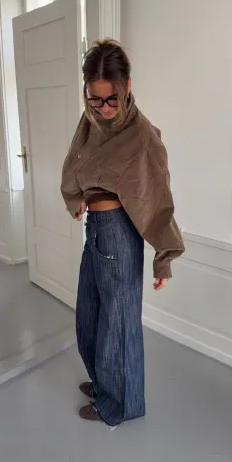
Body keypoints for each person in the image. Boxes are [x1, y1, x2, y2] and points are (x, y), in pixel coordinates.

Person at [61, 39, 184, 426]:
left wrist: (164, 258)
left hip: (118, 231)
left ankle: (121, 405)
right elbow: (77, 159)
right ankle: (105, 383)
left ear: (127, 86)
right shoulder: (92, 119)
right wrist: (76, 197)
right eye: (94, 98)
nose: (103, 108)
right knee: (90, 315)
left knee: (119, 323)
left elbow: (158, 198)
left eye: (111, 99)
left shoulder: (142, 136)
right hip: (96, 230)